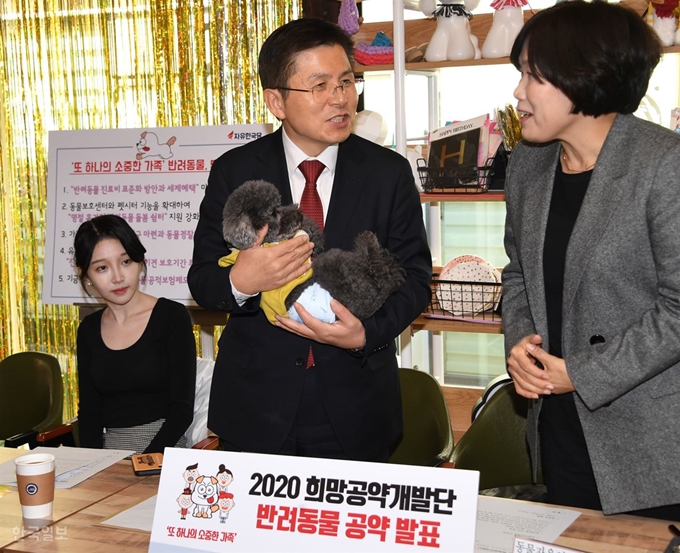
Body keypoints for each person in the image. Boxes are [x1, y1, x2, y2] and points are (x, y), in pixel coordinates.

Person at [187, 17, 431, 462]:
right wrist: (242, 281)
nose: (340, 98)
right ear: (276, 101)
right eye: (319, 86)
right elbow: (202, 278)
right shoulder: (234, 171)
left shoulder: (388, 173)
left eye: (347, 82)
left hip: (356, 403)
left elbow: (414, 279)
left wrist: (365, 334)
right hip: (255, 405)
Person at [502, 0, 680, 519]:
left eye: (532, 76)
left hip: (651, 440)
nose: (518, 93)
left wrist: (580, 373)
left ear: (582, 78)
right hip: (558, 428)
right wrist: (520, 346)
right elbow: (517, 275)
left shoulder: (662, 165)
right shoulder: (528, 165)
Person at [74, 214, 196, 455]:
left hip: (165, 449)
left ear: (140, 261)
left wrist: (145, 461)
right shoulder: (88, 329)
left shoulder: (172, 317)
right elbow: (89, 412)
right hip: (109, 452)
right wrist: (92, 465)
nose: (118, 277)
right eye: (102, 268)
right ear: (86, 276)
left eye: (126, 261)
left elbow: (181, 411)